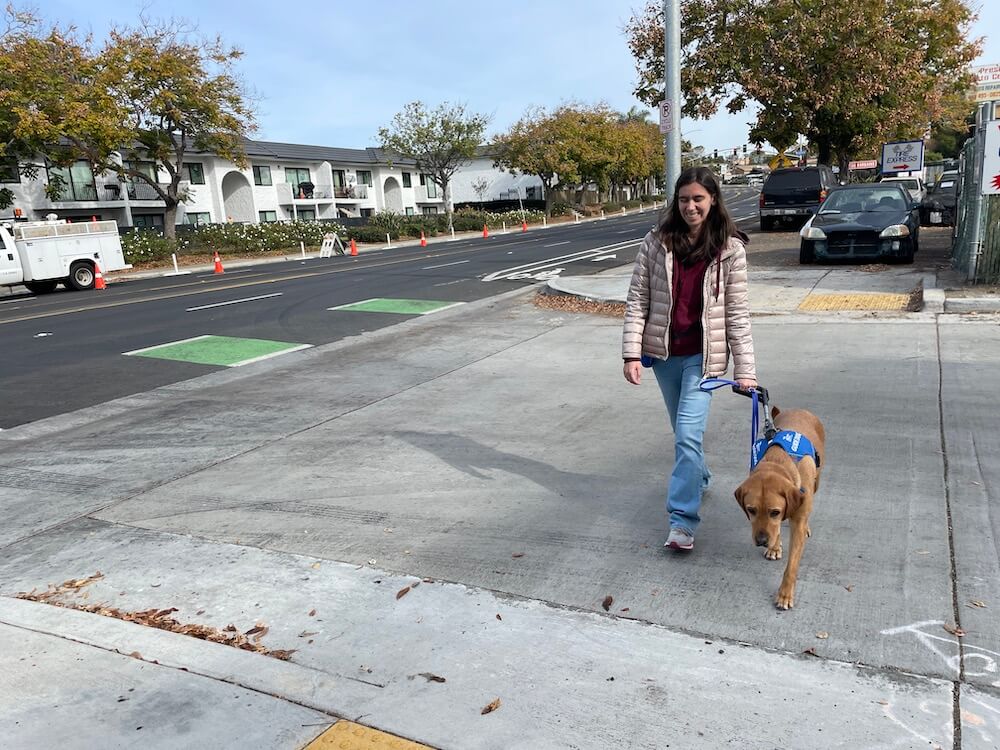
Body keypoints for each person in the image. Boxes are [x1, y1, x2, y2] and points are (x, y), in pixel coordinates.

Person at [622, 166, 757, 552]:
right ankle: (698, 477)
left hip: (704, 360)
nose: (690, 207)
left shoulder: (730, 250)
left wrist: (745, 371)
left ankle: (682, 521)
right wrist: (632, 353)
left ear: (713, 200)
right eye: (684, 200)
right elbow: (637, 301)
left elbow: (737, 315)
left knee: (686, 435)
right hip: (664, 357)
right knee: (683, 437)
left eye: (698, 199)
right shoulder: (656, 242)